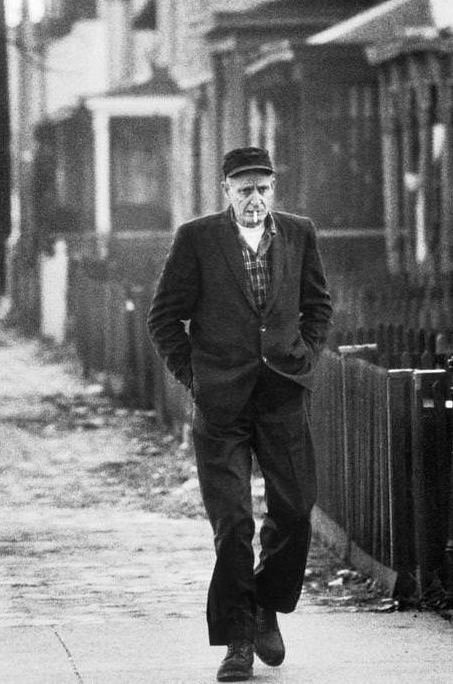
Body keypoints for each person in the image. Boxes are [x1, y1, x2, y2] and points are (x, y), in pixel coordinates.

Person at [147, 146, 332, 682]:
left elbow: (317, 306)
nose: (255, 199)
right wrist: (195, 377)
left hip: (281, 395)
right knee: (233, 525)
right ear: (226, 191)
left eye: (263, 188)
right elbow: (164, 319)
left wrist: (305, 357)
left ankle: (265, 602)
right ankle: (238, 643)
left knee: (296, 511)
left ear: (275, 189)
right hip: (221, 403)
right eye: (244, 188)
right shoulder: (197, 239)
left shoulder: (298, 233)